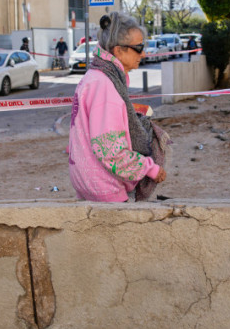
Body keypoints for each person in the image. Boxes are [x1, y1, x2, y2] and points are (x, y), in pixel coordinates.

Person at [68, 12, 169, 202]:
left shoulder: (94, 77)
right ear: (119, 50)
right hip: (104, 186)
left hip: (86, 179)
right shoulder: (106, 86)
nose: (144, 53)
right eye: (138, 48)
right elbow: (111, 152)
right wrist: (150, 168)